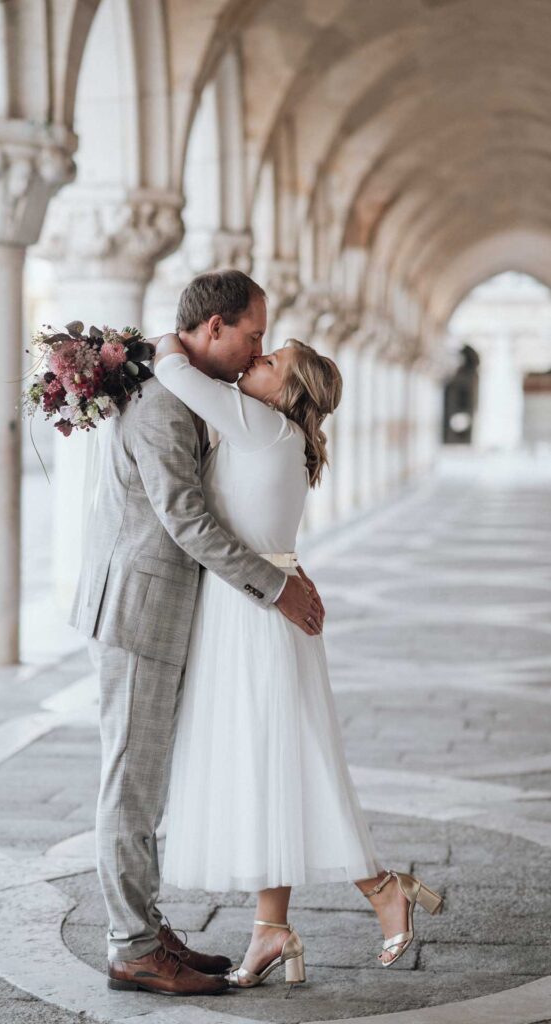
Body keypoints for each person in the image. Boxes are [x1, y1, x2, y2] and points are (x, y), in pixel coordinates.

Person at [154, 331, 444, 987]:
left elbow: (173, 369)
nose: (256, 360)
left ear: (286, 392)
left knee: (282, 760)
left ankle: (381, 888)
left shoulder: (256, 422)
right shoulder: (280, 436)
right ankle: (271, 929)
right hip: (262, 607)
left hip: (251, 617)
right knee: (273, 766)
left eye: (270, 360)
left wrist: (157, 339)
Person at [68, 270, 325, 997]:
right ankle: (131, 947)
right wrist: (274, 588)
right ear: (212, 328)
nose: (257, 350)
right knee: (131, 780)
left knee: (143, 779)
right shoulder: (160, 405)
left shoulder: (177, 386)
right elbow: (185, 520)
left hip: (155, 606)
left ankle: (144, 928)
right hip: (139, 608)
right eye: (251, 334)